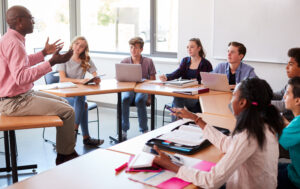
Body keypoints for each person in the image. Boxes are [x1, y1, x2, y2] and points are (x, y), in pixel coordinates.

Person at [153, 78, 283, 189]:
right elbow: (227, 144)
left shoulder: (250, 135)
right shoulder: (264, 125)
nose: (231, 101)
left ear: (243, 102)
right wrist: (196, 119)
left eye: (233, 95)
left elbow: (212, 181)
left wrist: (172, 166)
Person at [0, 6, 77, 165]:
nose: (33, 21)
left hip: (19, 95)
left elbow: (23, 61)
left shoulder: (10, 38)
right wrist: (52, 62)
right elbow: (21, 77)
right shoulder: (14, 43)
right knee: (68, 111)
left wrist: (43, 53)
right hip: (13, 102)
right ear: (20, 21)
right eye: (31, 18)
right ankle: (65, 156)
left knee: (64, 103)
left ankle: (64, 152)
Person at [57, 36, 104, 146]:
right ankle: (84, 137)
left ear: (84, 49)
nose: (78, 47)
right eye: (77, 43)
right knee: (83, 102)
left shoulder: (86, 59)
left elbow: (95, 74)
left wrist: (96, 79)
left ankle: (75, 131)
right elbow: (62, 79)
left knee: (81, 99)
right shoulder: (64, 57)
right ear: (72, 44)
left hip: (78, 94)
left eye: (81, 46)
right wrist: (80, 81)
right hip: (65, 94)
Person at [159, 38, 212, 120]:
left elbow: (208, 82)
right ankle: (178, 123)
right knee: (177, 97)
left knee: (177, 99)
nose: (189, 49)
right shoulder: (185, 60)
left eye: (192, 47)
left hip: (196, 96)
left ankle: (176, 125)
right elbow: (177, 72)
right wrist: (167, 77)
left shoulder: (205, 64)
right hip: (183, 92)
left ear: (199, 48)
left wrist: (197, 82)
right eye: (187, 47)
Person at [120, 37, 156, 140]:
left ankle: (144, 130)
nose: (133, 50)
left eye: (136, 48)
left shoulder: (148, 61)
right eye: (131, 47)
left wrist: (149, 97)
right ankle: (123, 130)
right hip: (129, 89)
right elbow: (120, 79)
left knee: (140, 100)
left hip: (143, 89)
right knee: (125, 99)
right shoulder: (124, 61)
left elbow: (153, 81)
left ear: (141, 49)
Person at [277, 77, 300, 189]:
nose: (284, 97)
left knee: (262, 173)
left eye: (287, 93)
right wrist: (286, 124)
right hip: (294, 168)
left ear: (297, 100)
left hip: (296, 179)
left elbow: (277, 139)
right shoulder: (297, 122)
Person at [272, 48, 300, 121]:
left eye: (291, 64)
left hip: (291, 123)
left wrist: (259, 102)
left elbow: (284, 105)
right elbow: (280, 95)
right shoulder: (292, 81)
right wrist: (262, 93)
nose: (286, 67)